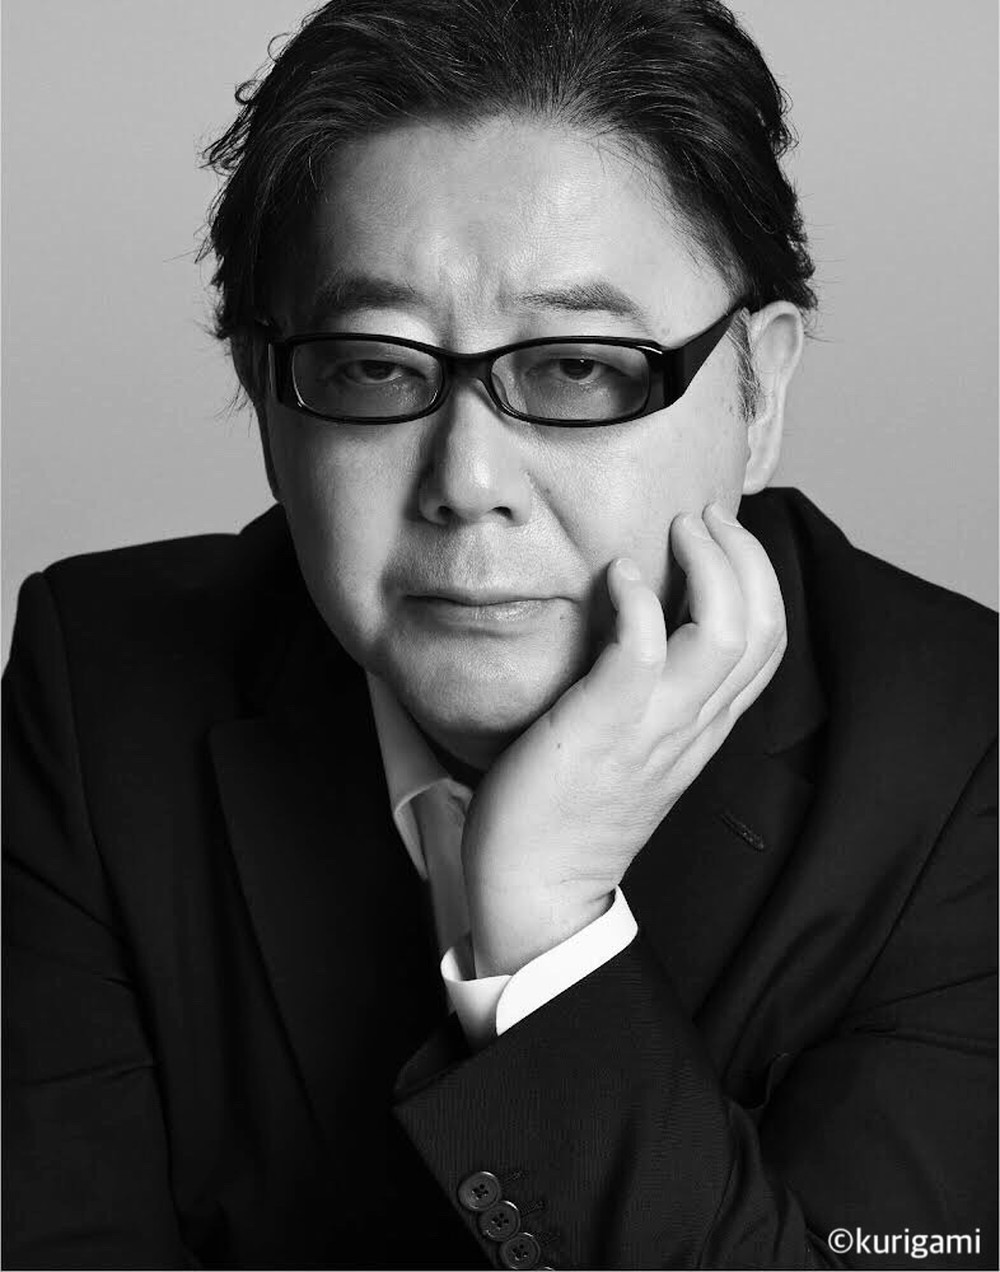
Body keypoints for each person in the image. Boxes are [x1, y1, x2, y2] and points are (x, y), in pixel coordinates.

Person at [3, 0, 995, 1267]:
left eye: (577, 367)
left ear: (759, 393)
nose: (467, 481)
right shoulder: (99, 689)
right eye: (374, 366)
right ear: (265, 397)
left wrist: (547, 936)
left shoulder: (966, 762)